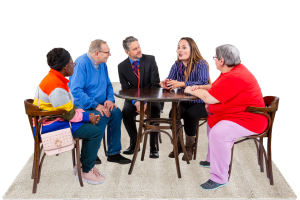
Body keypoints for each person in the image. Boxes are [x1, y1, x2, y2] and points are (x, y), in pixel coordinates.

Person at [184, 44, 268, 190]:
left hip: (251, 120)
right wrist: (200, 87)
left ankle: (219, 178)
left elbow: (209, 98)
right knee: (212, 122)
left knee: (219, 133)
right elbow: (214, 87)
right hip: (239, 115)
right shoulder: (230, 70)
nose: (214, 60)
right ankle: (212, 160)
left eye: (215, 58)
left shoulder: (235, 76)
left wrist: (190, 90)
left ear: (222, 61)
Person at [33, 48, 105, 184]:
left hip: (52, 121)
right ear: (65, 66)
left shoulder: (54, 79)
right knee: (95, 132)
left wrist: (86, 115)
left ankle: (82, 165)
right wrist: (87, 117)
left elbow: (68, 108)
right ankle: (86, 171)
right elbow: (68, 115)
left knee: (91, 124)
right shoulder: (56, 86)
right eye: (72, 63)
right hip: (51, 127)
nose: (74, 65)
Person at [69, 39, 131, 164]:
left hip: (101, 104)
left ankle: (113, 153)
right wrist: (96, 105)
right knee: (101, 116)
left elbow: (108, 84)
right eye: (107, 52)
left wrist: (109, 100)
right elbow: (75, 91)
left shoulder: (103, 64)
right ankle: (90, 154)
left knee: (116, 113)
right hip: (84, 106)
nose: (110, 55)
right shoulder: (81, 64)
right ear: (96, 53)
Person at [159, 37, 209, 161]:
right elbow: (171, 80)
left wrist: (181, 84)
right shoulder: (177, 65)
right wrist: (166, 83)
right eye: (178, 47)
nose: (179, 50)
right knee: (173, 115)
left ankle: (189, 148)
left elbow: (202, 82)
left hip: (201, 101)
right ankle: (179, 146)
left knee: (190, 115)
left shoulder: (201, 64)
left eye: (184, 47)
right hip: (185, 101)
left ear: (192, 49)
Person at [118, 36, 162, 158]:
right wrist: (136, 102)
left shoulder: (150, 60)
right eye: (135, 48)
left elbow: (155, 85)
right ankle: (135, 142)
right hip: (133, 100)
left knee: (155, 110)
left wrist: (146, 102)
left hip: (151, 98)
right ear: (127, 52)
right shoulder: (121, 66)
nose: (139, 50)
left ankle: (153, 147)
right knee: (125, 113)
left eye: (139, 47)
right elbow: (125, 89)